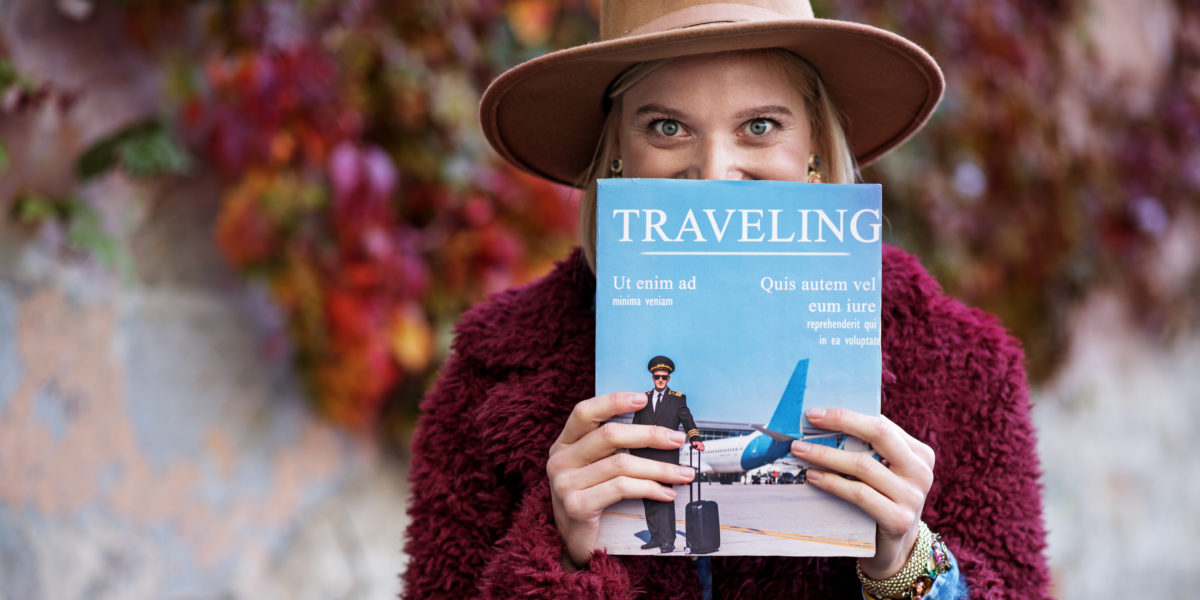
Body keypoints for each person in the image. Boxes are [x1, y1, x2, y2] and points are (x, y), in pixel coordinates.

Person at [402, 1, 1052, 598]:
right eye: (666, 127)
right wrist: (563, 554)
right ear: (618, 156)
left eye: (760, 126)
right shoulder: (489, 376)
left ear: (815, 153)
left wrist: (907, 564)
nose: (714, 172)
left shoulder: (965, 366)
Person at [631, 356, 704, 554]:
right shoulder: (644, 399)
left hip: (665, 457)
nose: (660, 380)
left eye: (664, 377)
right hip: (644, 456)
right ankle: (654, 537)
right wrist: (632, 453)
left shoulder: (678, 399)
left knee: (663, 497)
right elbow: (635, 427)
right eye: (657, 377)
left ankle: (668, 540)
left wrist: (695, 437)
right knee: (648, 496)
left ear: (669, 378)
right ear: (652, 378)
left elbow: (687, 419)